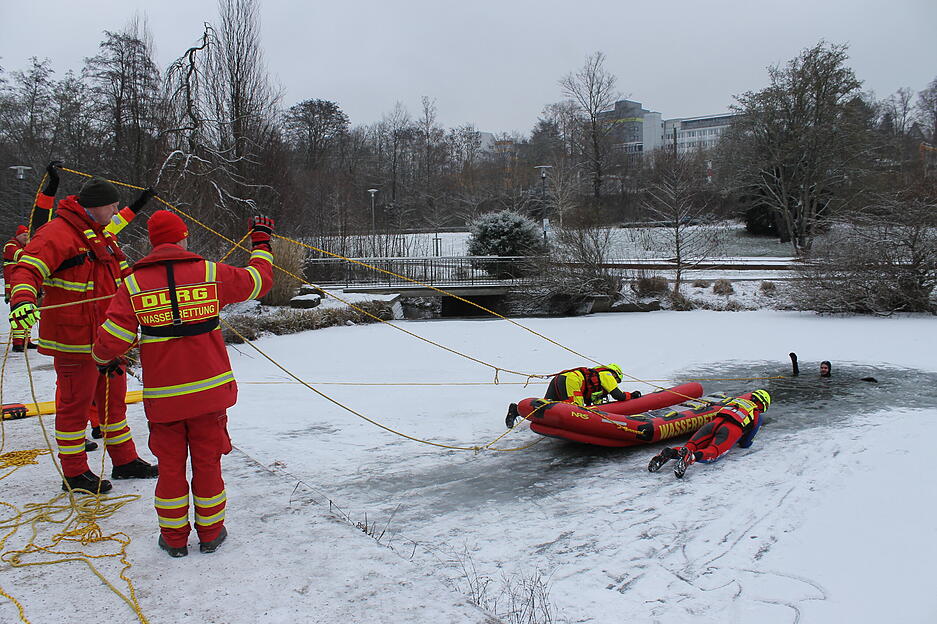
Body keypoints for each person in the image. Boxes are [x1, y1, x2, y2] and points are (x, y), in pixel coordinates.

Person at [92, 210, 274, 557]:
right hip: (209, 395)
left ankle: (174, 540)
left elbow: (112, 338)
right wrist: (261, 241)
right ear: (183, 238)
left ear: (152, 242)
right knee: (208, 464)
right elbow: (259, 280)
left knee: (171, 469)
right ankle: (211, 534)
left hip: (165, 401)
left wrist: (103, 359)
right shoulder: (208, 273)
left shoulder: (132, 283)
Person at [8, 176, 159, 493]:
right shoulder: (58, 233)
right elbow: (27, 269)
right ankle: (75, 473)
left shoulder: (101, 235)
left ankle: (124, 460)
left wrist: (148, 280)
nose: (116, 211)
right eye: (112, 205)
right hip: (73, 340)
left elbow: (118, 275)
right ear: (94, 207)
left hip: (106, 338)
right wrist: (22, 299)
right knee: (74, 407)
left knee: (113, 403)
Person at [647, 389, 771, 479]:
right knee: (714, 451)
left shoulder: (736, 401)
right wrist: (743, 441)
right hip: (731, 429)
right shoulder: (756, 413)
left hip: (713, 424)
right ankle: (692, 457)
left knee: (691, 445)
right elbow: (746, 442)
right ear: (764, 405)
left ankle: (670, 453)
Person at [4, 225, 37, 351]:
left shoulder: (24, 247)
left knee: (29, 313)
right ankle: (17, 343)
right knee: (18, 314)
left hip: (26, 286)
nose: (26, 238)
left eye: (27, 236)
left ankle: (26, 340)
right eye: (24, 235)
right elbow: (22, 256)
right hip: (14, 288)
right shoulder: (10, 246)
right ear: (18, 235)